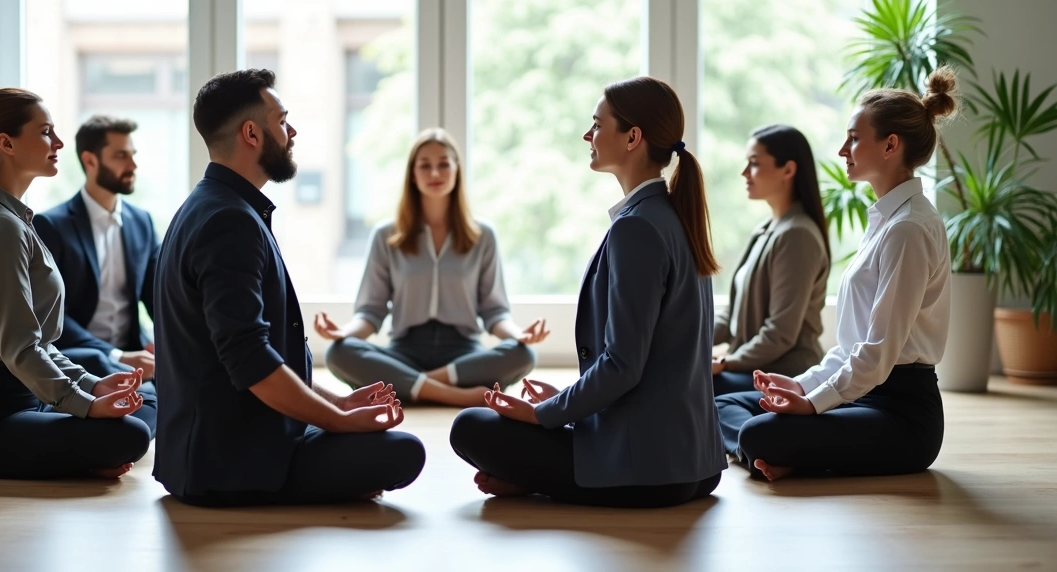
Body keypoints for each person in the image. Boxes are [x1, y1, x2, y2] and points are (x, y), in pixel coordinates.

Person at [448, 76, 727, 507]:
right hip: (696, 465)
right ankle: (537, 477)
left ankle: (540, 479)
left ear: (633, 137)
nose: (588, 135)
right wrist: (564, 404)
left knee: (470, 427)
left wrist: (543, 414)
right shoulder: (673, 216)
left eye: (597, 124)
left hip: (646, 471)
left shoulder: (636, 227)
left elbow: (621, 366)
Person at [153, 69, 426, 506]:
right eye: (281, 120)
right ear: (251, 133)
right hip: (226, 465)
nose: (291, 130)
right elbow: (250, 360)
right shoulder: (229, 221)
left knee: (382, 443)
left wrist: (338, 402)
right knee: (403, 452)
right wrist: (339, 420)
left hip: (215, 451)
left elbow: (257, 360)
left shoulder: (213, 206)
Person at [714, 67, 957, 481]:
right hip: (859, 393)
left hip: (900, 415)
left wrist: (811, 403)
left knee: (757, 433)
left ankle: (781, 455)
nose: (843, 149)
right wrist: (802, 386)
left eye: (854, 138)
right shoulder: (885, 221)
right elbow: (851, 347)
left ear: (890, 145)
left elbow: (877, 355)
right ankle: (789, 458)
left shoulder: (909, 230)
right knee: (722, 405)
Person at [0, 88, 155, 480]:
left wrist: (93, 385)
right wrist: (84, 404)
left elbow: (40, 345)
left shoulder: (10, 220)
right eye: (46, 132)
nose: (59, 143)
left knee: (144, 404)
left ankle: (74, 450)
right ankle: (79, 453)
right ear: (6, 143)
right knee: (131, 433)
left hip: (27, 395)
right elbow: (20, 347)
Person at [317, 128, 547, 407]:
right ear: (412, 174)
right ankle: (453, 395)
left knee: (523, 354)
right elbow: (371, 312)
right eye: (425, 165)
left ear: (457, 170)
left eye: (443, 164)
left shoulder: (483, 235)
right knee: (340, 353)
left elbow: (494, 312)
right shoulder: (386, 235)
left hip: (464, 356)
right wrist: (343, 333)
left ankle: (411, 385)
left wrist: (519, 334)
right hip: (404, 350)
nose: (435, 173)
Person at [34, 116, 161, 382]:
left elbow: (157, 298)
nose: (133, 165)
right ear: (90, 161)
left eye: (133, 154)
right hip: (75, 360)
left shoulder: (142, 222)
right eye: (120, 156)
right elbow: (49, 316)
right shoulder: (51, 225)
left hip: (135, 354)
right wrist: (116, 356)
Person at [711, 125, 830, 395]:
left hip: (785, 374)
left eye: (753, 163)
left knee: (689, 388)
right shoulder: (767, 228)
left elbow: (780, 333)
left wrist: (726, 362)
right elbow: (734, 313)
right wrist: (692, 337)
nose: (744, 173)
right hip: (759, 368)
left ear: (788, 170)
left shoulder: (797, 235)